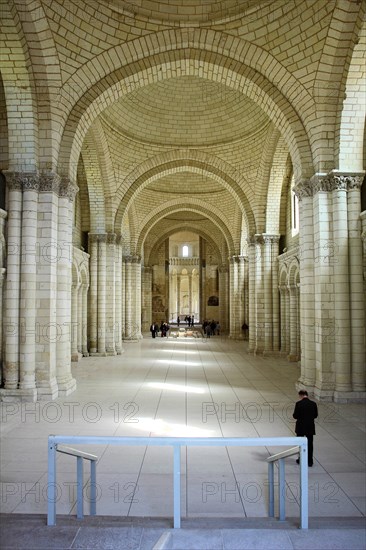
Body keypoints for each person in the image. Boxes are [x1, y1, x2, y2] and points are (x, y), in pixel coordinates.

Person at [293, 390, 318, 467]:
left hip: (300, 427)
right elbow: (315, 415)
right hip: (310, 427)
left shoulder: (298, 404)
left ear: (301, 395)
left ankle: (301, 459)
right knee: (310, 444)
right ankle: (310, 461)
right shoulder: (313, 404)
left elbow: (295, 416)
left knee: (300, 444)